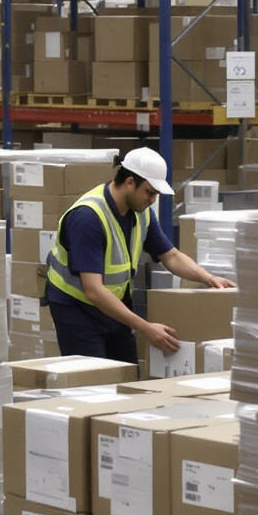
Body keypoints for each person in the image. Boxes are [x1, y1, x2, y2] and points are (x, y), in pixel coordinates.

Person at [40, 146, 235, 365]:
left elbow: (170, 255)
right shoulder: (88, 218)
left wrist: (208, 278)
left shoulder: (141, 214)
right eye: (149, 193)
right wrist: (145, 328)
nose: (152, 200)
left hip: (113, 304)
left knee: (127, 373)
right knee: (93, 381)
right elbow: (93, 290)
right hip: (77, 308)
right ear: (130, 182)